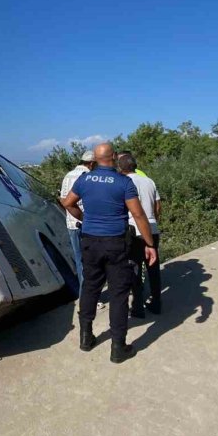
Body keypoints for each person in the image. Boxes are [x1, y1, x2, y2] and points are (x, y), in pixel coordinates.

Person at [61, 143, 157, 363]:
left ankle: (85, 337)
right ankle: (118, 347)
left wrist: (86, 220)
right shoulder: (124, 182)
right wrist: (149, 244)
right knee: (119, 293)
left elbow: (67, 203)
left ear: (95, 159)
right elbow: (138, 214)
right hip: (115, 243)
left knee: (90, 287)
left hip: (90, 242)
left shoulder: (85, 179)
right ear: (113, 157)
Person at [117, 154, 162, 317]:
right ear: (135, 166)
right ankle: (157, 302)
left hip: (133, 229)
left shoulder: (124, 183)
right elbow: (158, 206)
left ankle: (137, 306)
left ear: (120, 169)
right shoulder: (149, 181)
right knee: (153, 267)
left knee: (134, 267)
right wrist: (154, 222)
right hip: (151, 227)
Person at [59, 150, 96, 290]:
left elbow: (63, 200)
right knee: (92, 262)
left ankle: (84, 296)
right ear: (92, 163)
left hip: (71, 224)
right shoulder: (88, 176)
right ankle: (91, 296)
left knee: (80, 261)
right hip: (88, 223)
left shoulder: (68, 175)